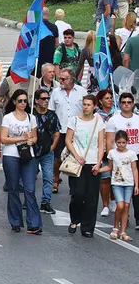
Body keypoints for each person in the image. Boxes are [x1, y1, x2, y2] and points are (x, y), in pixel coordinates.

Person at [64, 95, 106, 239]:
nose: (86, 107)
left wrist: (99, 162)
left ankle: (88, 228)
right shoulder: (74, 120)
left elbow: (101, 144)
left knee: (91, 197)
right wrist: (77, 155)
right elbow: (68, 140)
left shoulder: (99, 122)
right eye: (84, 104)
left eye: (89, 105)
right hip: (78, 163)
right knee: (78, 194)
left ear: (94, 106)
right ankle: (75, 218)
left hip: (93, 162)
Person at [0, 89, 42, 234]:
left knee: (30, 189)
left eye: (25, 101)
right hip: (11, 155)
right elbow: (3, 138)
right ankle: (16, 221)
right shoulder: (8, 118)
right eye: (20, 101)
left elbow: (35, 137)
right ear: (14, 102)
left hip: (27, 155)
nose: (23, 103)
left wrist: (32, 140)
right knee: (13, 188)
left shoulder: (31, 118)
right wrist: (21, 138)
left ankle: (34, 223)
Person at [50, 69, 86, 194]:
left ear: (72, 79)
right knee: (58, 157)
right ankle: (56, 178)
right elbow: (51, 111)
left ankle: (74, 184)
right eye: (59, 78)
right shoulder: (55, 92)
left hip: (76, 130)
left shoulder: (81, 91)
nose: (60, 81)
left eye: (63, 79)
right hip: (61, 129)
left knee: (75, 157)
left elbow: (86, 109)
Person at [31, 89, 60, 215]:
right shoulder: (31, 115)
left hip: (47, 151)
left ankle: (45, 202)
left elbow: (57, 133)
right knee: (30, 177)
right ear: (36, 100)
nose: (46, 101)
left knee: (48, 177)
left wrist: (52, 147)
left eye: (48, 98)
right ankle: (29, 200)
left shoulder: (52, 115)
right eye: (43, 99)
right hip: (33, 151)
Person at [107, 130, 138, 241]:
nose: (121, 145)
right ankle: (115, 228)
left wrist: (136, 185)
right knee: (120, 205)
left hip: (129, 183)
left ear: (127, 142)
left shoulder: (131, 154)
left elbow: (134, 170)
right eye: (119, 142)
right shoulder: (112, 153)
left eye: (123, 142)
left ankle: (123, 232)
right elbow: (109, 167)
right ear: (115, 142)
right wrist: (99, 169)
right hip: (117, 183)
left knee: (126, 207)